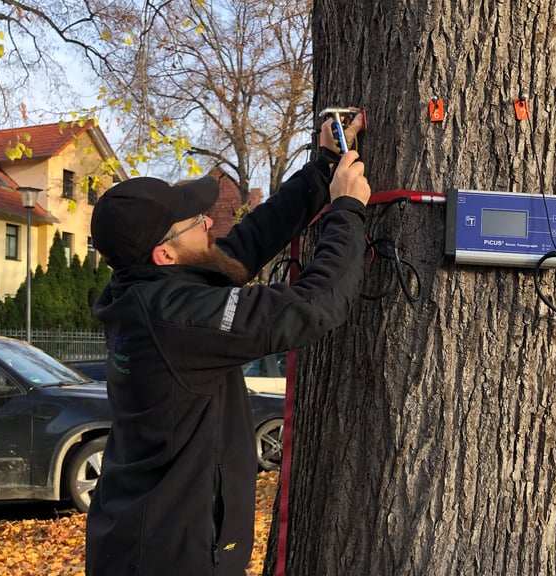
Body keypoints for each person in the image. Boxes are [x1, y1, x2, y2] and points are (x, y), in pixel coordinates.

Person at [85, 116, 370, 575]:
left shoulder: (146, 293)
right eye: (195, 221)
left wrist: (322, 168)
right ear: (165, 254)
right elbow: (314, 303)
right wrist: (347, 210)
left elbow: (242, 247)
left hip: (150, 541)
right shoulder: (175, 318)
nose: (208, 223)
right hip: (169, 558)